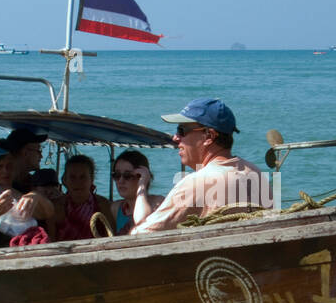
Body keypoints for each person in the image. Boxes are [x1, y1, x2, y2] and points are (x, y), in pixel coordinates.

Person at [130, 98, 267, 233]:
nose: (175, 137)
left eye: (181, 130)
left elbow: (141, 236)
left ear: (209, 136)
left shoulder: (197, 183)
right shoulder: (255, 173)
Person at [56, 154, 114, 241]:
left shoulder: (103, 205)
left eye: (83, 177)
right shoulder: (58, 207)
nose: (77, 182)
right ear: (65, 180)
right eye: (72, 177)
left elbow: (112, 237)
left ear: (92, 179)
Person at [109, 150, 164, 235]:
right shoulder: (116, 208)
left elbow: (142, 223)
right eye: (117, 175)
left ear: (141, 176)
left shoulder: (157, 203)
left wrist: (142, 185)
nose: (120, 181)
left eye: (127, 176)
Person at [0, 128, 48, 195]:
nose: (41, 156)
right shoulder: (3, 180)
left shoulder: (33, 182)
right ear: (25, 152)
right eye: (38, 151)